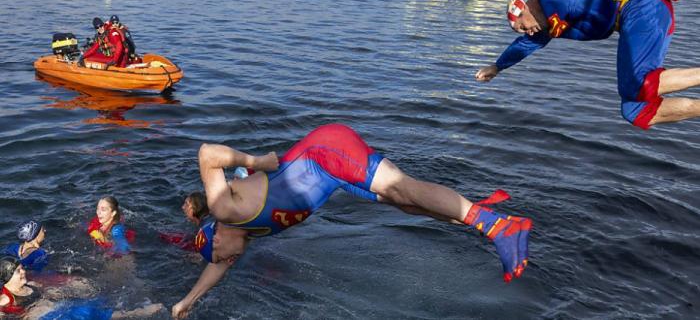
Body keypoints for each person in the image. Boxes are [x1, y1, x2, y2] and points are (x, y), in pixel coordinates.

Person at [171, 123, 531, 319]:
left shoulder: (223, 210)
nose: (231, 263)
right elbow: (215, 270)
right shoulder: (241, 235)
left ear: (217, 239)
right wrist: (186, 304)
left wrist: (259, 161)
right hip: (332, 174)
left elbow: (207, 155)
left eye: (225, 258)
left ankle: (497, 225)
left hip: (327, 154)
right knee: (404, 204)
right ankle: (474, 217)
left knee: (402, 190)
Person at [475, 0, 698, 129]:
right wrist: (497, 67)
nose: (528, 32)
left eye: (523, 26)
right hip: (637, 20)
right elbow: (523, 46)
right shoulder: (551, 25)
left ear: (526, 5)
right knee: (636, 111)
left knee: (637, 85)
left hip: (639, 1)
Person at [0, 256, 163, 319]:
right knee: (86, 312)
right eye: (17, 271)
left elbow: (49, 292)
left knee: (92, 304)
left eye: (22, 268)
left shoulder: (29, 284)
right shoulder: (4, 300)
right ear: (7, 277)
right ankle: (135, 313)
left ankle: (133, 312)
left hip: (57, 308)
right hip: (47, 317)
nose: (23, 272)